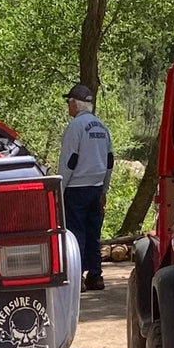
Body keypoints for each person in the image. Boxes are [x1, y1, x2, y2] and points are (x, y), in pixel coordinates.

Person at [59, 83, 114, 292]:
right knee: (94, 233)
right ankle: (96, 276)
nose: (68, 107)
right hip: (96, 187)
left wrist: (60, 188)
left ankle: (78, 278)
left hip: (76, 188)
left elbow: (69, 161)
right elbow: (109, 161)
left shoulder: (75, 127)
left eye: (69, 102)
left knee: (76, 233)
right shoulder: (101, 127)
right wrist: (104, 190)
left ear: (75, 103)